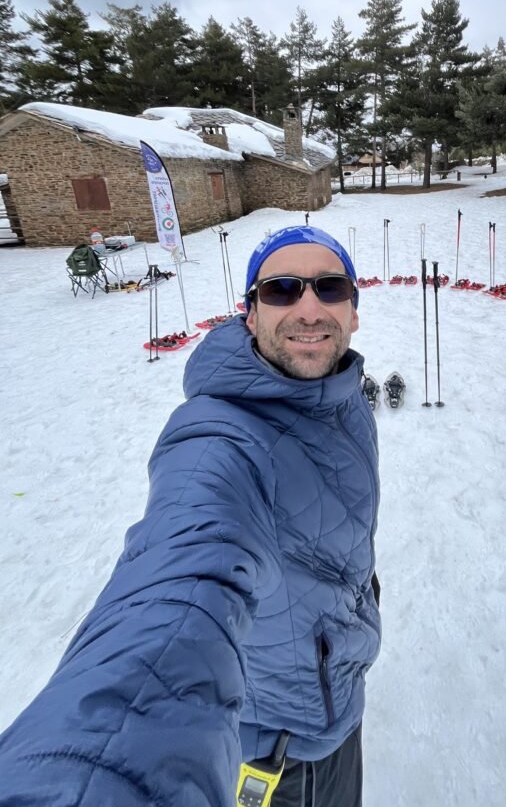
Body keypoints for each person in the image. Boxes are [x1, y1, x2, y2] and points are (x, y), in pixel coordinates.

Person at [0, 225, 381, 807]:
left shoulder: (338, 392)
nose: (308, 307)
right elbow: (176, 591)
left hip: (337, 708)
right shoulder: (219, 439)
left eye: (329, 288)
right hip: (278, 754)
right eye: (281, 290)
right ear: (249, 315)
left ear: (353, 311)